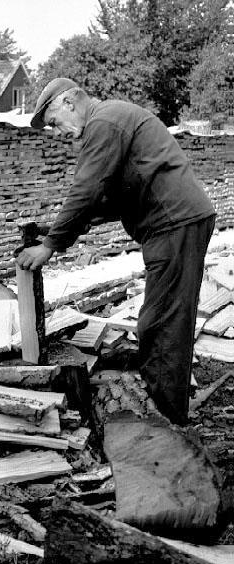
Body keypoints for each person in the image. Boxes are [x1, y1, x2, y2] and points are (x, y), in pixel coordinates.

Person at [17, 77, 216, 426]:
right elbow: (106, 199)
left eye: (53, 123)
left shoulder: (103, 122)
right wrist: (61, 230)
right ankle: (166, 410)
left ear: (69, 102)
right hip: (176, 223)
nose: (57, 133)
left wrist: (50, 247)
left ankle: (166, 422)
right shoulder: (111, 119)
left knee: (162, 324)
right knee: (165, 320)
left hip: (174, 223)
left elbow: (88, 189)